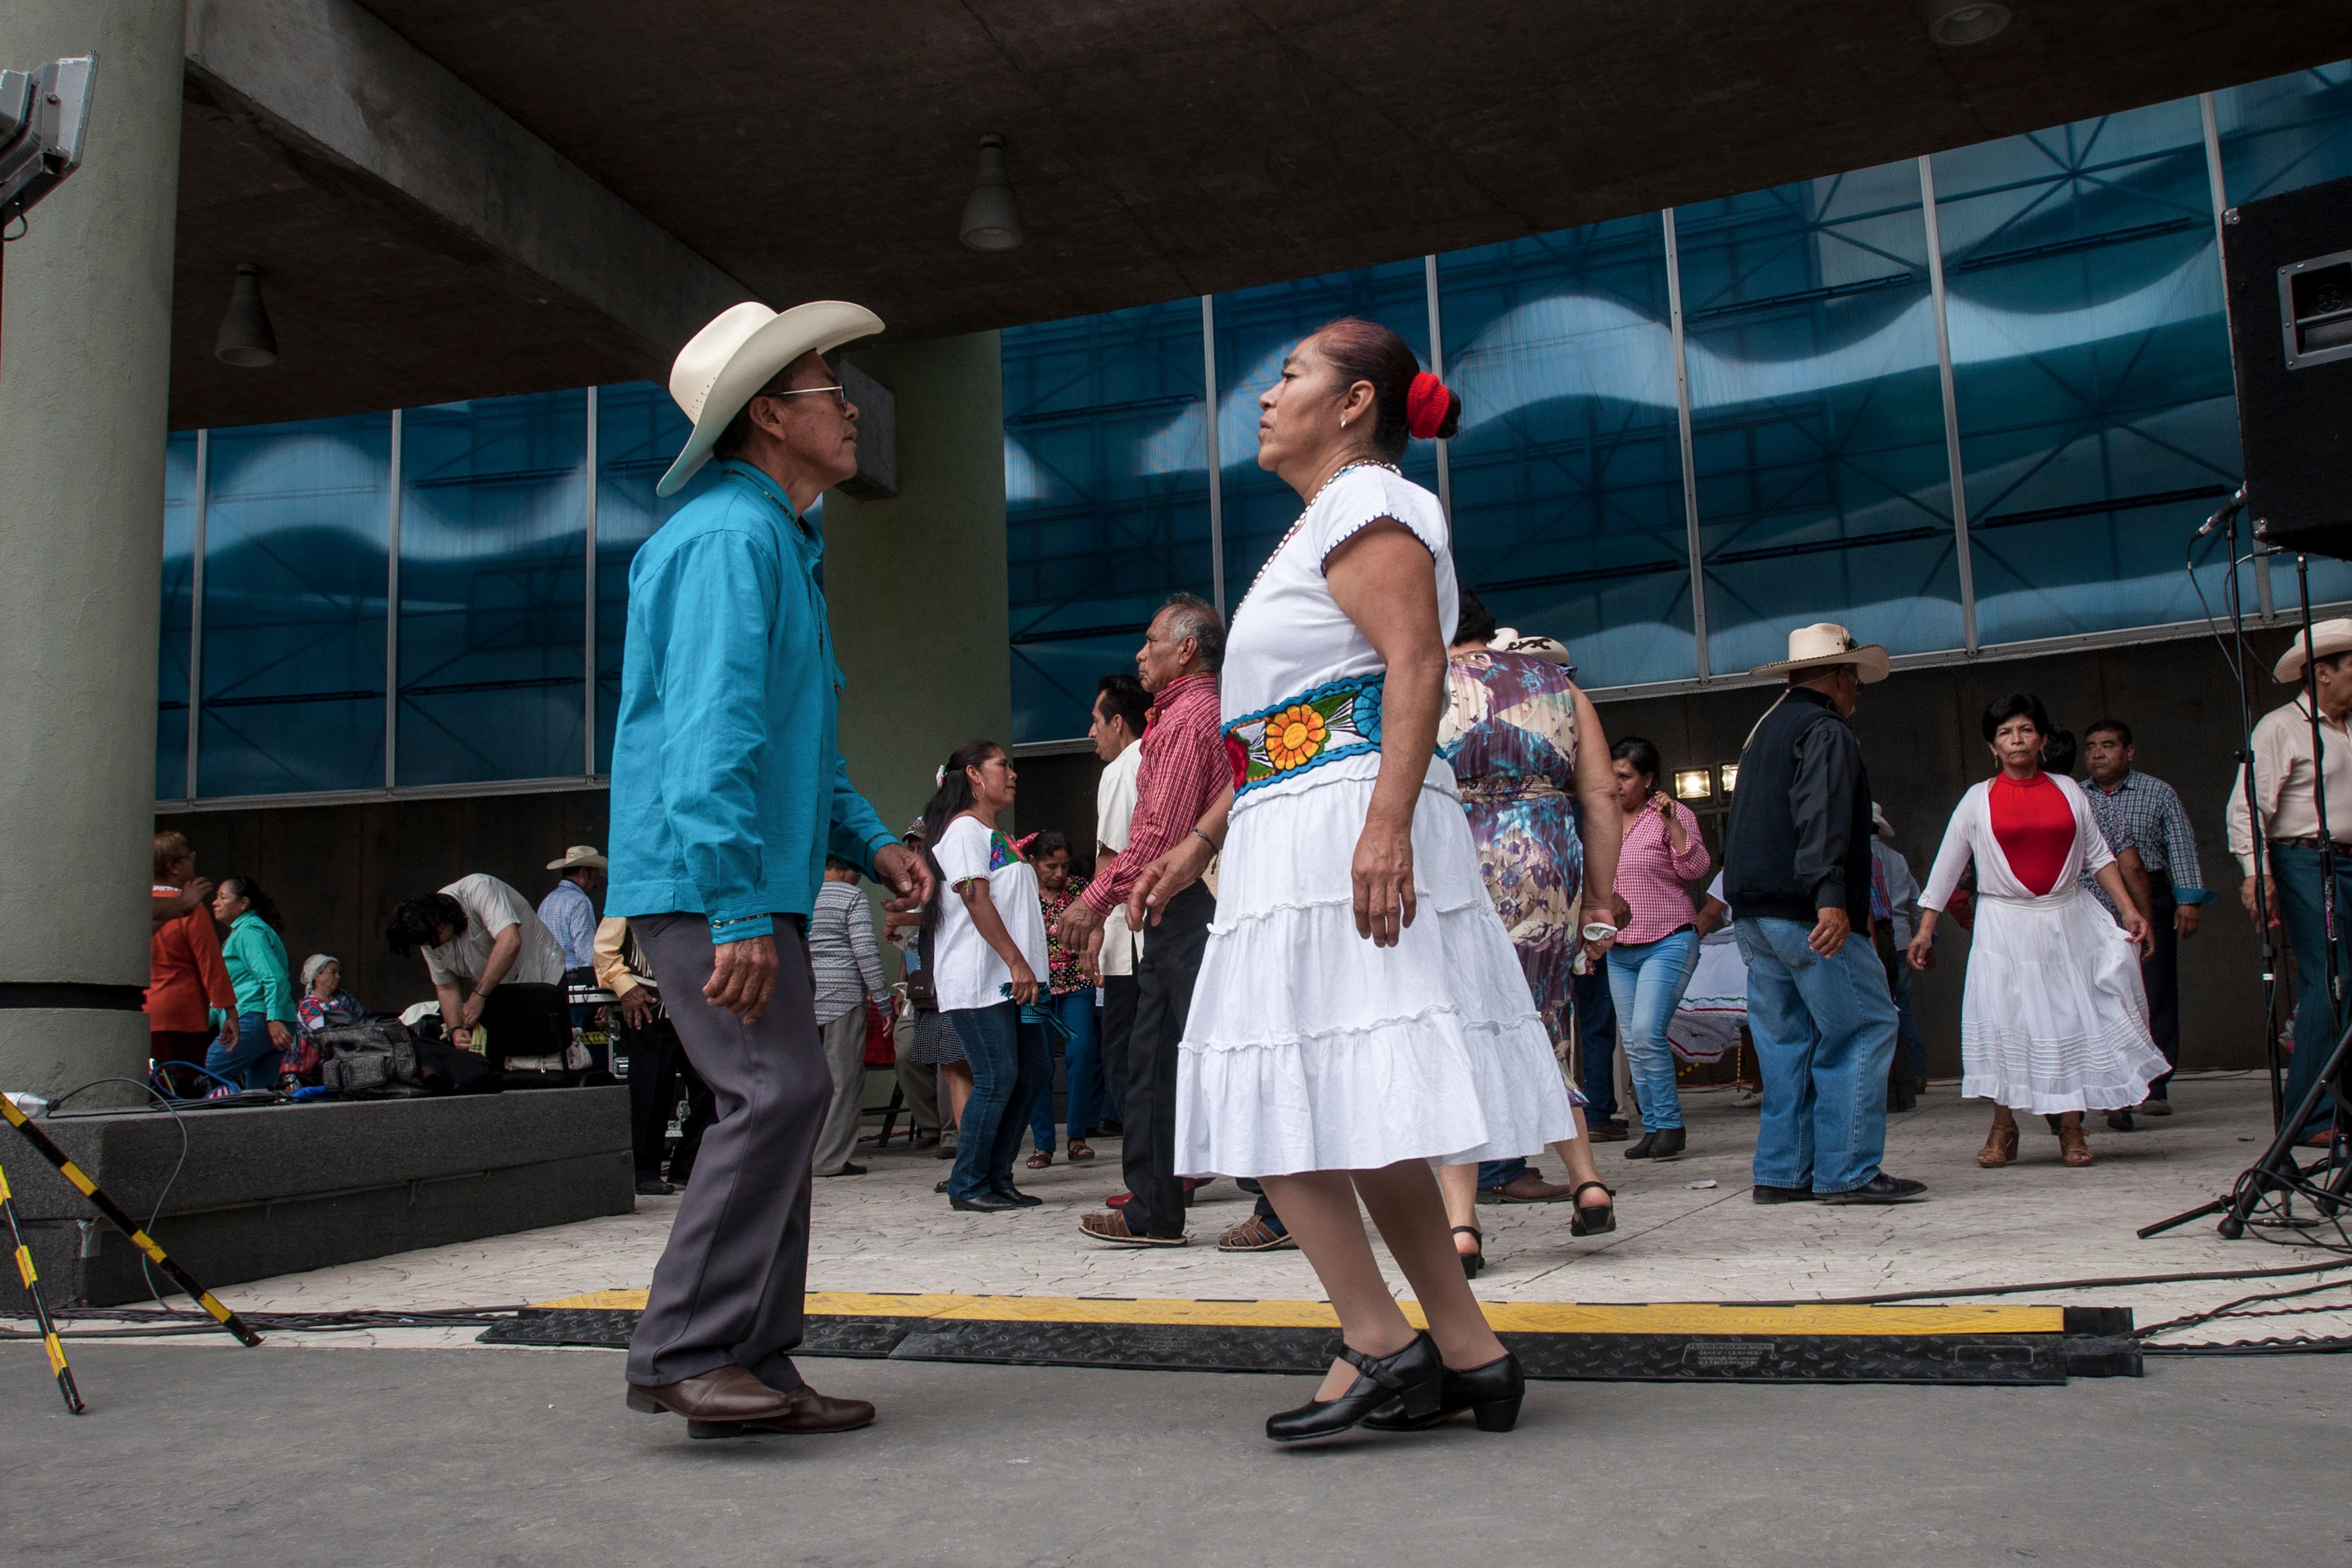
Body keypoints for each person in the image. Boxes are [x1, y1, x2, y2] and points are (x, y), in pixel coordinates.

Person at [1127, 318, 1571, 1441]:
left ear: (1355, 402)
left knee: (1278, 1107)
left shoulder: (1369, 504)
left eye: (1290, 376)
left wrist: (1380, 832)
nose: (1266, 396)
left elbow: (1414, 665)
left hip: (1343, 828)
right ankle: (1468, 1353)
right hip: (1301, 817)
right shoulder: (1327, 517)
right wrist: (1200, 840)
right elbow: (1295, 723)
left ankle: (1378, 1341)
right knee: (1355, 1112)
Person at [604, 298, 932, 1435]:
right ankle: (686, 1350)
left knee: (785, 1104)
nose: (850, 409)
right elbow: (707, 745)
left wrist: (878, 844)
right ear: (765, 415)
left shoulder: (777, 544)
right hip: (714, 887)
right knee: (775, 1092)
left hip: (745, 881)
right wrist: (741, 908)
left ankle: (752, 1356)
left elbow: (801, 750)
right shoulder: (730, 539)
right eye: (828, 389)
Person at [1430, 590, 1624, 1260]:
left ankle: (1461, 1224)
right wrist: (1599, 896)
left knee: (1462, 1032)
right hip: (1546, 857)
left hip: (1455, 859)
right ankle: (1588, 1181)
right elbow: (1600, 794)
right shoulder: (1558, 685)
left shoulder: (1421, 682)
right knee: (1544, 1023)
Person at [1910, 693, 2164, 1167]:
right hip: (2002, 926)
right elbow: (1947, 867)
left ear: (2042, 739)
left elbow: (2099, 857)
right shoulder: (1976, 800)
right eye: (2006, 733)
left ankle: (2071, 1129)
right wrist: (1925, 929)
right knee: (2007, 1022)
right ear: (1992, 746)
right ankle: (2003, 1128)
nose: (2016, 740)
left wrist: (2128, 909)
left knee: (2069, 1019)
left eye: (2025, 730)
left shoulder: (2069, 791)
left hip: (2066, 920)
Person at [1724, 622, 1923, 1205]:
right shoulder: (1825, 729)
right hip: (1803, 907)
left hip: (1755, 910)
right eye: (1854, 679)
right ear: (1840, 677)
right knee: (1861, 1025)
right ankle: (1848, 1171)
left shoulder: (1763, 730)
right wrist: (1830, 895)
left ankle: (1782, 1173)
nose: (1856, 691)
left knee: (1786, 1040)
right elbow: (1824, 815)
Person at [1058, 594, 1231, 1247]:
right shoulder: (1180, 717)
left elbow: (1157, 834)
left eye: (1151, 640)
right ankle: (1153, 1208)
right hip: (1171, 907)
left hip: (1193, 905)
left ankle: (1278, 1206)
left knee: (1214, 1055)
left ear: (1186, 648)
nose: (1140, 652)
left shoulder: (1190, 719)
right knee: (1153, 1061)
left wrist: (1093, 899)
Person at [2227, 618, 2352, 1146]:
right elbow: (2246, 807)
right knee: (2327, 980)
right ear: (2321, 673)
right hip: (2304, 860)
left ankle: (2337, 1105)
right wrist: (2256, 873)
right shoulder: (2280, 727)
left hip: (2347, 857)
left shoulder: (2349, 726)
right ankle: (2310, 1114)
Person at [922, 741, 1052, 1212]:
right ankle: (969, 1183)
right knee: (997, 1076)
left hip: (1017, 981)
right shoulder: (962, 831)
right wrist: (1016, 962)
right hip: (982, 979)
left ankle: (997, 1176)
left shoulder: (993, 832)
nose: (1012, 774)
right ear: (974, 775)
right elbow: (976, 900)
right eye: (1003, 766)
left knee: (1034, 1072)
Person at [2082, 718, 2204, 1118]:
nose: (2098, 753)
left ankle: (2154, 1086)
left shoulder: (2158, 792)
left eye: (2109, 745)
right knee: (2097, 993)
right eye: (2092, 746)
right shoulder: (2075, 795)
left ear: (2129, 752)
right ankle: (2110, 1085)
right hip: (2092, 902)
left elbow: (2181, 845)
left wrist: (2188, 899)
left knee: (2154, 990)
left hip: (2151, 894)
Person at [1605, 735, 1712, 1160]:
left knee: (1648, 1032)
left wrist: (1673, 823)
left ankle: (1670, 1125)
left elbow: (1697, 868)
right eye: (1611, 774)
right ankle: (1652, 1128)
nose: (1616, 784)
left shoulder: (1670, 812)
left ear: (1648, 779)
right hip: (1619, 948)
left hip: (1669, 938)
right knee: (1633, 1042)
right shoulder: (1605, 817)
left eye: (1625, 776)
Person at [595, 914, 718, 1194]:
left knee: (712, 1085)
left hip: (693, 1004)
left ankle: (688, 1164)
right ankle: (643, 1170)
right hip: (649, 1004)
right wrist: (627, 988)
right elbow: (605, 951)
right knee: (650, 1090)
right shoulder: (630, 899)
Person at [385, 875, 568, 1057]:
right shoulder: (429, 936)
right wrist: (455, 1029)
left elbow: (510, 942)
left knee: (546, 1053)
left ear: (442, 923)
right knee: (507, 1059)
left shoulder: (480, 889)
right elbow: (446, 986)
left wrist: (478, 996)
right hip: (498, 992)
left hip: (543, 978)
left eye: (433, 941)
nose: (433, 947)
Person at [1089, 671, 1152, 1131]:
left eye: (1095, 720)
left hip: (1131, 938)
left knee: (1123, 1056)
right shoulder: (1163, 758)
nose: (1090, 733)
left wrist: (1091, 925)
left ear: (1117, 723)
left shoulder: (1120, 769)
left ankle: (1152, 1174)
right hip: (1167, 930)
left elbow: (1111, 856)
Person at [1024, 831, 1104, 1166]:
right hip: (1034, 989)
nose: (1059, 873)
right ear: (1033, 862)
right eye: (1050, 865)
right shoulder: (1022, 892)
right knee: (1037, 1062)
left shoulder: (1080, 891)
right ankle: (1043, 1143)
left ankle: (1077, 1136)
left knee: (1082, 1051)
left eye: (1065, 866)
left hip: (1076, 985)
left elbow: (1097, 923)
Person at [810, 856, 887, 1179]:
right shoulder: (852, 897)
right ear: (845, 867)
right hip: (843, 998)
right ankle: (829, 1160)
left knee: (813, 1083)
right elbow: (866, 950)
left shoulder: (805, 893)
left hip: (806, 998)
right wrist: (883, 1000)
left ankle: (805, 1155)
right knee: (844, 1081)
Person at [147, 833, 237, 1088]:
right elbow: (211, 964)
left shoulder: (140, 907)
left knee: (154, 1091)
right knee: (184, 1091)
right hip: (182, 1015)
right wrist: (229, 1010)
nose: (193, 861)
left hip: (143, 1013)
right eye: (188, 856)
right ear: (172, 866)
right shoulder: (191, 910)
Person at [206, 876, 297, 1090]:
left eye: (222, 897)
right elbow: (229, 990)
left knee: (207, 1071)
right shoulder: (248, 931)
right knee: (259, 1096)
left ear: (244, 903)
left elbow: (273, 977)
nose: (215, 902)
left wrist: (273, 1019)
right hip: (267, 1020)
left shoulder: (249, 931)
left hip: (257, 1018)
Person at [1867, 805, 1928, 1110]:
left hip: (1877, 938)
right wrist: (1927, 938)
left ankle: (1893, 1082)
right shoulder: (1898, 858)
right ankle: (1915, 1075)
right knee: (1903, 1008)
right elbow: (1918, 900)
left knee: (1882, 1009)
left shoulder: (1857, 855)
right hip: (1903, 935)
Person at [291, 954, 364, 1085]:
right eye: (333, 972)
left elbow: (363, 1019)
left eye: (338, 973)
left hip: (352, 1051)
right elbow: (324, 1033)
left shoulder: (344, 999)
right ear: (317, 976)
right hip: (325, 1063)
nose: (338, 977)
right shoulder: (308, 1005)